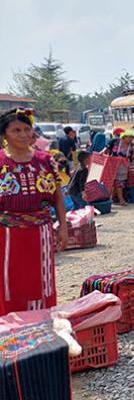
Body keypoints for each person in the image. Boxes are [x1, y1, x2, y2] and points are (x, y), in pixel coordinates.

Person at [0, 108, 67, 315]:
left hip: (41, 232)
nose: (23, 135)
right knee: (9, 282)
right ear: (4, 135)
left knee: (41, 282)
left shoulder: (45, 160)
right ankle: (10, 330)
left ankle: (41, 327)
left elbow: (57, 196)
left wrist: (63, 227)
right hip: (7, 234)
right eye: (16, 130)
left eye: (27, 129)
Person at [104, 129, 134, 206]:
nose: (131, 139)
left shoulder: (132, 147)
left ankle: (120, 200)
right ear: (124, 137)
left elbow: (132, 158)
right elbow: (105, 150)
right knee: (110, 183)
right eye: (130, 137)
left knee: (120, 183)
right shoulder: (115, 142)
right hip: (111, 164)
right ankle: (110, 199)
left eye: (132, 137)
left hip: (123, 167)